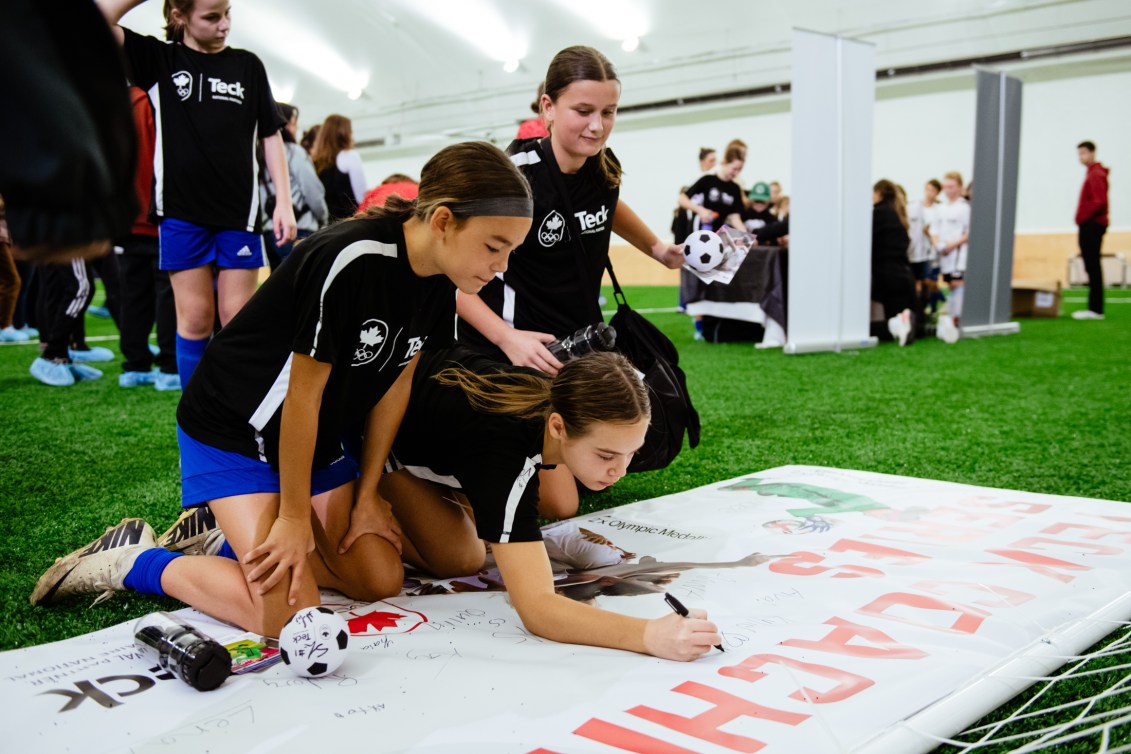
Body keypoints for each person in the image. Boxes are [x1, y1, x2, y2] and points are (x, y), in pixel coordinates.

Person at [30, 142, 534, 638]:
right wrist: (293, 518)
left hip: (313, 440)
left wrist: (366, 494)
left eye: (510, 250)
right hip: (233, 428)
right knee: (285, 617)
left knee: (379, 579)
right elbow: (302, 396)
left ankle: (223, 540)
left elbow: (394, 385)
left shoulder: (444, 276)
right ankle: (135, 561)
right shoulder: (350, 258)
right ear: (443, 221)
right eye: (495, 246)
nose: (502, 265)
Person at [456, 46, 684, 519]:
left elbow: (607, 205)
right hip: (521, 350)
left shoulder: (603, 163)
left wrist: (659, 250)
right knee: (561, 504)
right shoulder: (513, 179)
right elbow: (449, 278)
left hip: (584, 343)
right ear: (547, 107)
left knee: (650, 431)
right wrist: (508, 339)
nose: (596, 126)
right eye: (582, 111)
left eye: (608, 112)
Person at [380, 346, 720, 661]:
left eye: (632, 453)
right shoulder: (504, 457)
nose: (620, 471)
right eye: (606, 455)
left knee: (561, 501)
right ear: (557, 425)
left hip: (446, 416)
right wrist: (648, 635)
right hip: (379, 434)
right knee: (458, 558)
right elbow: (538, 609)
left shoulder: (559, 401)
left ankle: (457, 488)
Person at [97, 0, 298, 389]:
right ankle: (195, 421)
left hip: (239, 216)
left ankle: (237, 417)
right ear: (179, 16)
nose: (224, 25)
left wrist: (284, 203)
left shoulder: (248, 65)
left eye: (227, 14)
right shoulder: (159, 59)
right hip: (181, 214)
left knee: (237, 318)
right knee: (195, 319)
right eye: (211, 17)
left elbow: (270, 135)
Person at [117, 86, 179, 390]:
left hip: (128, 216)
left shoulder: (121, 101)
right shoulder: (156, 99)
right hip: (158, 214)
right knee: (168, 291)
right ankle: (168, 364)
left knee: (134, 293)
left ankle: (135, 363)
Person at [260, 102, 328, 271]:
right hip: (298, 230)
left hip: (269, 233)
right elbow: (313, 191)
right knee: (303, 290)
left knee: (279, 290)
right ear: (285, 123)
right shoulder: (293, 152)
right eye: (294, 124)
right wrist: (324, 220)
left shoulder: (258, 154)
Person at [871, 180, 916, 346]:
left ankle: (899, 326)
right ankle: (902, 325)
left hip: (888, 272)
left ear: (879, 193)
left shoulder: (879, 213)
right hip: (902, 271)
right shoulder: (897, 213)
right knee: (901, 310)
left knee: (892, 314)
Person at [1073, 140, 1110, 320]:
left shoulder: (1096, 174)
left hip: (1092, 225)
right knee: (1091, 265)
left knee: (1093, 265)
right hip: (1091, 224)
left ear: (1092, 153)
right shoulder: (1092, 173)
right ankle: (1094, 308)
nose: (1081, 157)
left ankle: (1095, 309)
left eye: (1083, 153)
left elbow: (1099, 201)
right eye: (1079, 154)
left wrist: (1082, 218)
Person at [678, 141, 746, 232]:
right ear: (725, 162)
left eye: (739, 170)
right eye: (734, 169)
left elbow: (735, 217)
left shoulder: (735, 188)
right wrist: (700, 210)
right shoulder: (707, 180)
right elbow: (682, 199)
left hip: (717, 234)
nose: (736, 173)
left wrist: (745, 234)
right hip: (700, 230)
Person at [934, 171, 970, 342]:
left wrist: (952, 245)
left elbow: (969, 232)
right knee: (950, 284)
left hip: (958, 254)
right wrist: (939, 244)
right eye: (945, 187)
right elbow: (934, 230)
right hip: (944, 254)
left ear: (959, 187)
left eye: (951, 186)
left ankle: (957, 320)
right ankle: (952, 319)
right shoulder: (940, 208)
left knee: (958, 283)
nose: (948, 190)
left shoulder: (964, 208)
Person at [312, 114, 367, 223]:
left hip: (326, 225)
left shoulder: (316, 162)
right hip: (349, 223)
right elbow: (362, 197)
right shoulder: (349, 156)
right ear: (345, 134)